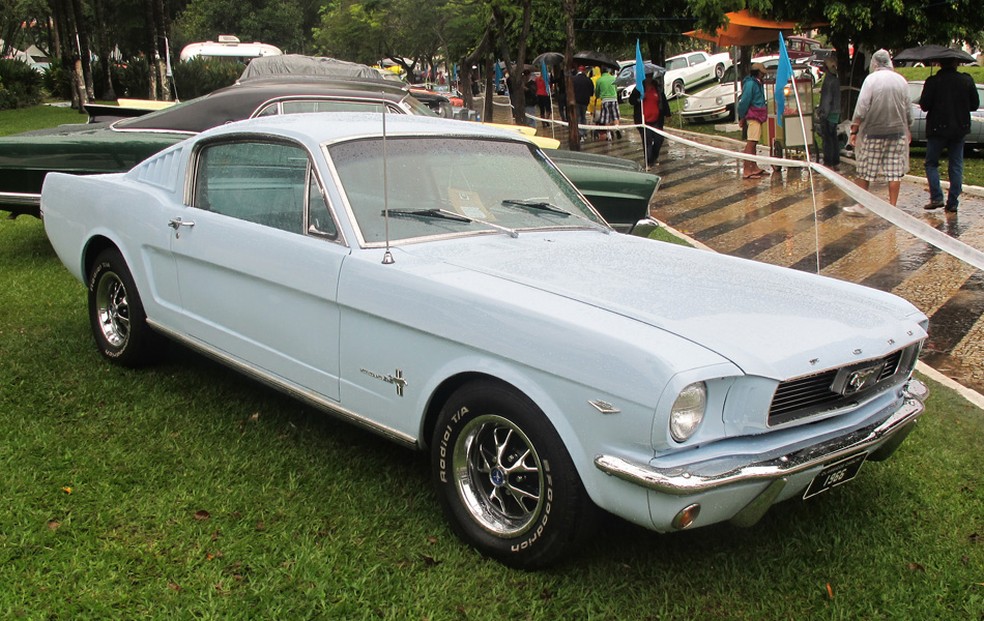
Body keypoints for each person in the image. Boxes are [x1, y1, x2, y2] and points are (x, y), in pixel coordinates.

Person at [846, 49, 912, 213]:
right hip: (897, 134)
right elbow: (908, 109)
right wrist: (907, 127)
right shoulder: (901, 81)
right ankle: (893, 208)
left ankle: (861, 205)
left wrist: (854, 129)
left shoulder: (871, 80)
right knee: (894, 172)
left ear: (874, 63)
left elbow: (861, 107)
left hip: (873, 133)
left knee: (865, 170)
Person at [918, 57, 980, 213]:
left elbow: (924, 105)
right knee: (956, 165)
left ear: (939, 63)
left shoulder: (933, 81)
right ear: (956, 63)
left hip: (937, 129)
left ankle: (937, 197)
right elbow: (974, 104)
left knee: (931, 163)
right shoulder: (966, 80)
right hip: (959, 128)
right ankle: (953, 202)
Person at [629, 76, 671, 166]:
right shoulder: (638, 89)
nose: (649, 78)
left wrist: (667, 113)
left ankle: (654, 157)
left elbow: (663, 100)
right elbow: (631, 101)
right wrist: (639, 98)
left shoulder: (657, 88)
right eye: (647, 76)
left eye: (651, 75)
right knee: (647, 141)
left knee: (659, 139)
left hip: (656, 120)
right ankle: (648, 161)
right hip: (644, 121)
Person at [736, 62, 769, 179]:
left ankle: (753, 166)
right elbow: (744, 101)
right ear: (758, 73)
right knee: (751, 142)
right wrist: (742, 116)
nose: (763, 75)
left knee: (754, 142)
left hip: (757, 115)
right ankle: (746, 169)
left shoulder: (757, 83)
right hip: (754, 115)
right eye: (762, 73)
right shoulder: (751, 84)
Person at [816, 56, 841, 168]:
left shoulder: (828, 81)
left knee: (828, 138)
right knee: (834, 137)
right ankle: (835, 161)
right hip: (836, 112)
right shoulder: (836, 80)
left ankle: (828, 162)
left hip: (829, 113)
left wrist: (823, 114)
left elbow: (827, 100)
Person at [595, 67, 620, 140]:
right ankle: (617, 128)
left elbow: (597, 92)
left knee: (607, 117)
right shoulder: (613, 78)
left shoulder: (599, 80)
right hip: (614, 99)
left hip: (605, 100)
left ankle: (608, 134)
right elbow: (615, 88)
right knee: (615, 115)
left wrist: (598, 96)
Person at [572, 65, 594, 139]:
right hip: (585, 101)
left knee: (578, 117)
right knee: (583, 116)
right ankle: (584, 132)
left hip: (576, 101)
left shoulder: (573, 79)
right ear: (584, 71)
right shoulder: (588, 80)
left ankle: (580, 133)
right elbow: (591, 92)